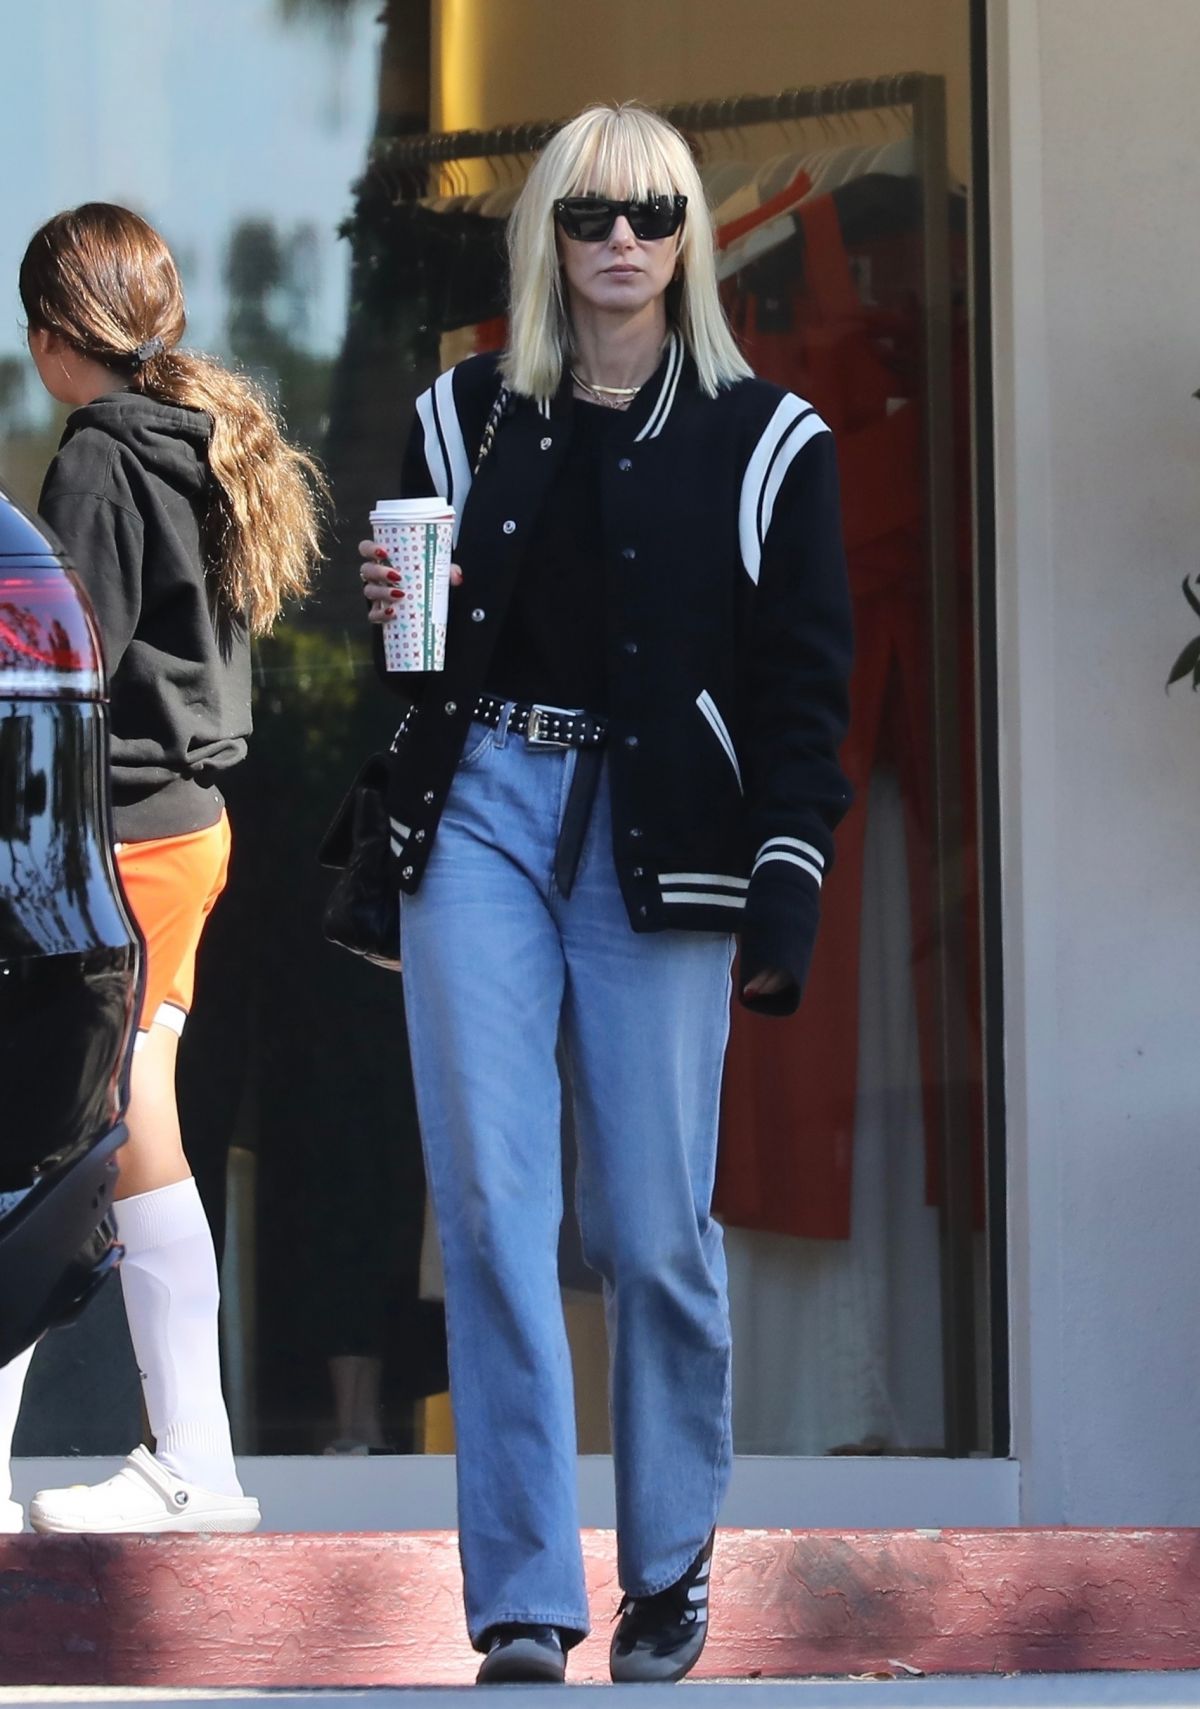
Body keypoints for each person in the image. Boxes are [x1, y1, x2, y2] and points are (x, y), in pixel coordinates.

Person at [356, 103, 853, 1684]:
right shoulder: (461, 420)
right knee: (497, 1212)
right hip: (488, 814)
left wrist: (785, 890)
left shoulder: (766, 439)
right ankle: (517, 1597)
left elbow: (804, 688)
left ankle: (668, 1564)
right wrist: (398, 625)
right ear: (549, 238)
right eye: (589, 215)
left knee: (651, 1224)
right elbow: (427, 669)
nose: (620, 238)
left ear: (691, 232)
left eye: (650, 211)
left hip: (663, 837)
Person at [0, 202, 325, 1535]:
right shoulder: (201, 446)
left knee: (51, 1130)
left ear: (49, 338)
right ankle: (198, 1456)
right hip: (183, 830)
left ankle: (198, 1459)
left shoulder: (93, 459)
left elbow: (64, 670)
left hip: (107, 842)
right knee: (113, 1128)